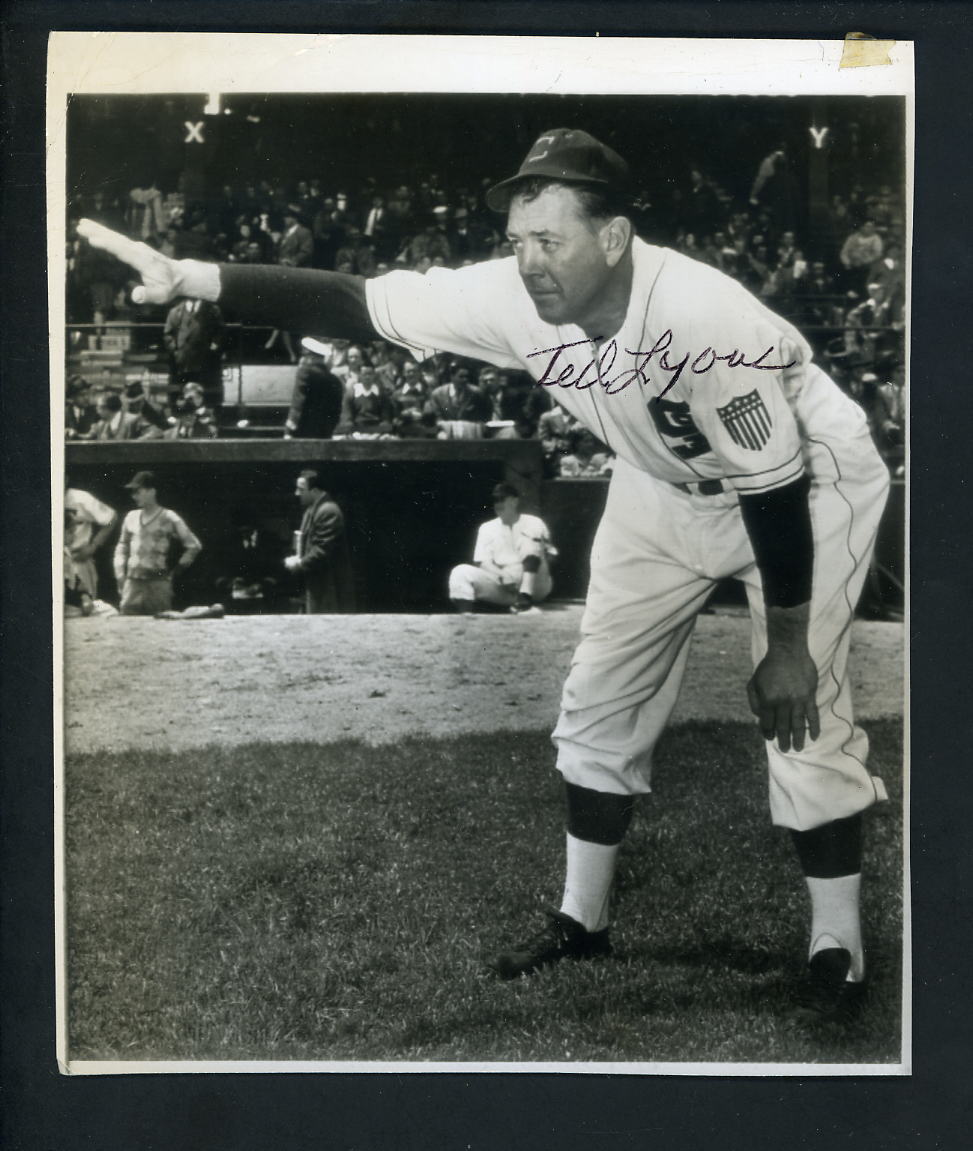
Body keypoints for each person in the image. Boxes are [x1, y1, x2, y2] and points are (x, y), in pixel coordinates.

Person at [78, 126, 892, 1025]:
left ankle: (837, 944)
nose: (528, 261)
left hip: (807, 482)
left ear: (613, 238)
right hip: (658, 484)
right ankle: (582, 920)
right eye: (516, 239)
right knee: (596, 697)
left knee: (801, 707)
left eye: (550, 240)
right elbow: (359, 302)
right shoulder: (514, 297)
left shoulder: (705, 318)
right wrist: (194, 276)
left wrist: (782, 647)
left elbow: (771, 486)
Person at [448, 482, 556, 614]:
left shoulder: (534, 521)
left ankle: (525, 599)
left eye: (502, 499)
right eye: (495, 500)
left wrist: (523, 570)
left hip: (535, 585)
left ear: (514, 501)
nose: (498, 504)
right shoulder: (486, 527)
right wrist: (501, 576)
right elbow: (483, 562)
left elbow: (550, 554)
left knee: (530, 540)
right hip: (505, 585)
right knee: (460, 572)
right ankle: (467, 620)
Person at [113, 470, 202, 615]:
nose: (134, 496)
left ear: (152, 491)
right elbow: (122, 546)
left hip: (158, 585)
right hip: (132, 584)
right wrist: (119, 574)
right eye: (132, 492)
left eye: (138, 491)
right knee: (127, 625)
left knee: (159, 628)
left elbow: (193, 546)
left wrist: (175, 572)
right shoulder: (131, 517)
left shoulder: (169, 517)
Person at [283, 468, 356, 613]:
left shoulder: (328, 511)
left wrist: (299, 564)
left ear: (314, 490)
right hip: (314, 586)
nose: (297, 493)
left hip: (328, 588)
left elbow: (322, 550)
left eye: (301, 489)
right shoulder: (312, 510)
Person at [163, 296, 225, 411]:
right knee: (181, 398)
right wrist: (175, 350)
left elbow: (220, 331)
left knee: (205, 398)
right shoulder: (175, 311)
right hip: (182, 362)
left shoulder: (212, 310)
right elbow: (168, 334)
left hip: (205, 362)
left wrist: (214, 346)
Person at [284, 338, 346, 439]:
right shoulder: (335, 380)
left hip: (303, 429)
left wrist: (289, 429)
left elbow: (298, 401)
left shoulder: (304, 373)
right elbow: (336, 410)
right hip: (325, 431)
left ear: (309, 356)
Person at [64, 483, 118, 598]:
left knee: (84, 604)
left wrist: (93, 546)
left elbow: (111, 517)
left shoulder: (81, 498)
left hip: (76, 559)